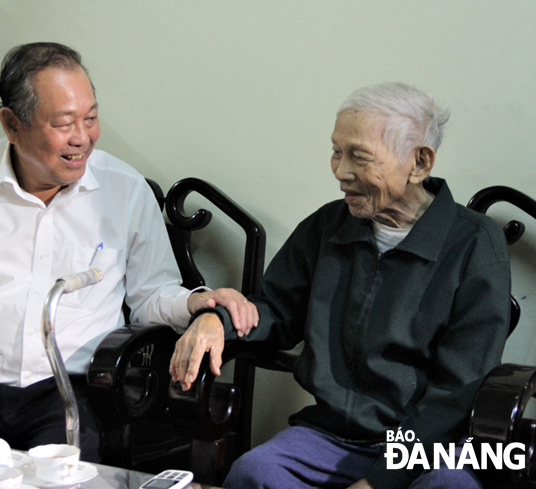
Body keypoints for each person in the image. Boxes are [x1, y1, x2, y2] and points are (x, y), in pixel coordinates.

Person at [0, 42, 256, 463]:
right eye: (64, 123)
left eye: (91, 118)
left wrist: (200, 301)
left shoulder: (123, 190)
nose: (82, 138)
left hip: (72, 390)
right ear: (12, 126)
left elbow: (149, 295)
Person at [170, 82, 510, 489]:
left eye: (359, 157)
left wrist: (379, 481)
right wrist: (215, 320)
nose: (340, 171)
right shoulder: (327, 226)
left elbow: (459, 389)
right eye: (336, 151)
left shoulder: (475, 243)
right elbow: (275, 310)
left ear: (419, 163)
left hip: (429, 444)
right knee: (254, 473)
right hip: (331, 435)